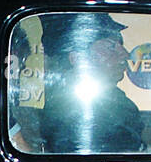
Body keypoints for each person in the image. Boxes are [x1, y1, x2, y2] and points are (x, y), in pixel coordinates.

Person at [34, 13, 143, 154]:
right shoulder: (69, 112)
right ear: (78, 58)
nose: (125, 54)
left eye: (120, 46)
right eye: (111, 47)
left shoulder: (117, 104)